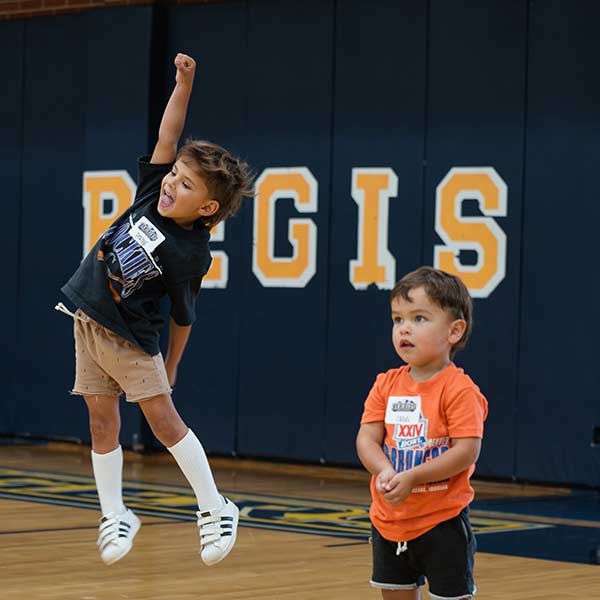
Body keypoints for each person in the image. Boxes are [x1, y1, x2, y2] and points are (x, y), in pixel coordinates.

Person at [55, 53, 253, 566]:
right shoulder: (150, 192)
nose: (172, 184)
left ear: (207, 209)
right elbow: (170, 134)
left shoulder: (191, 253)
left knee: (164, 422)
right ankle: (116, 513)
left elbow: (184, 315)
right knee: (102, 422)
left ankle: (215, 506)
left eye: (186, 185)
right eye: (175, 176)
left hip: (131, 338)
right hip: (88, 320)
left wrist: (172, 364)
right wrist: (183, 83)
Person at [356, 266, 488, 599]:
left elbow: (465, 452)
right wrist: (385, 470)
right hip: (388, 520)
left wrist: (413, 477)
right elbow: (367, 439)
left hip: (442, 522)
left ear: (454, 331)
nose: (404, 329)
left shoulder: (460, 390)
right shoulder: (385, 384)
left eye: (419, 318)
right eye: (398, 319)